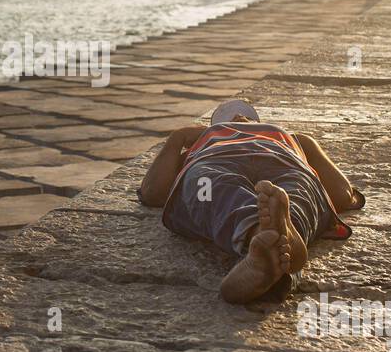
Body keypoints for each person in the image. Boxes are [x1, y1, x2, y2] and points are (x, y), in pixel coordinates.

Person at [137, 100, 365, 304]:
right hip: (216, 161)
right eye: (227, 118)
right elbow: (153, 192)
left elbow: (341, 194)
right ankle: (277, 236)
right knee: (213, 187)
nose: (238, 118)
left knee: (300, 188)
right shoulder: (206, 142)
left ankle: (268, 240)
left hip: (285, 162)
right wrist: (177, 138)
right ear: (205, 129)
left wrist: (305, 143)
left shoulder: (291, 139)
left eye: (245, 115)